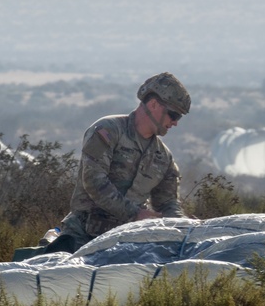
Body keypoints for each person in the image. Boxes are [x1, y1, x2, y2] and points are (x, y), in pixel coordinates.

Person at [43, 72, 190, 254]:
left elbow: (168, 203)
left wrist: (185, 229)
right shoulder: (107, 131)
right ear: (153, 105)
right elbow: (94, 182)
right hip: (83, 236)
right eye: (173, 115)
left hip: (126, 243)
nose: (175, 123)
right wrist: (135, 214)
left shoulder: (163, 158)